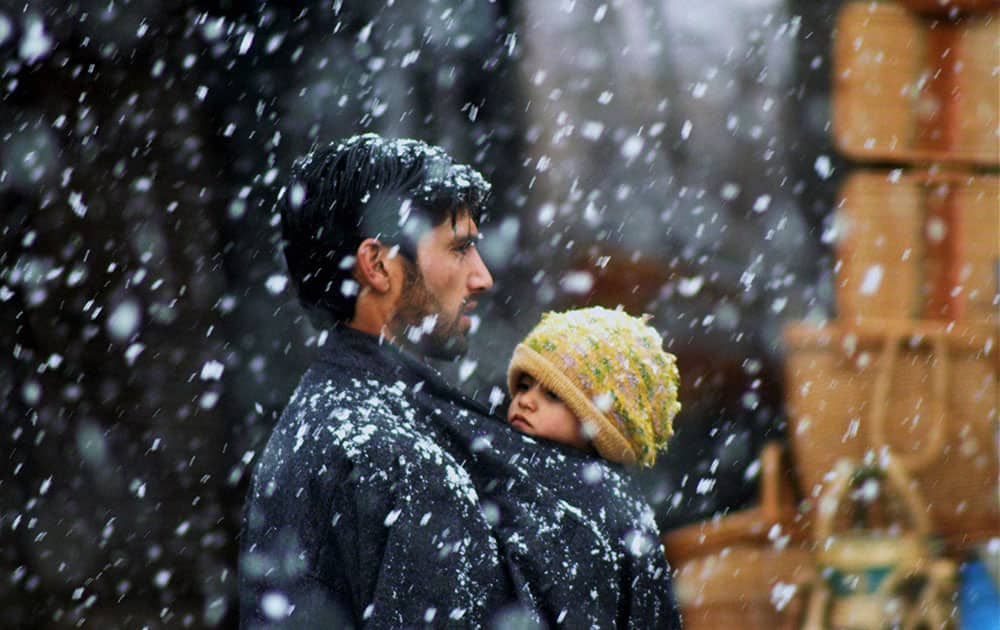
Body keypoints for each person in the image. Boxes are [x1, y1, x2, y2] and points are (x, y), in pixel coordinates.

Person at [240, 134, 682, 628]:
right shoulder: (397, 457)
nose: (482, 276)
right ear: (377, 265)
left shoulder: (320, 420)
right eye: (460, 247)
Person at [506, 306, 681, 467]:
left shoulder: (578, 495)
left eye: (553, 396)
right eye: (523, 386)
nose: (526, 400)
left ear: (602, 429)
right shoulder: (494, 455)